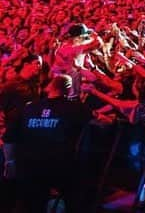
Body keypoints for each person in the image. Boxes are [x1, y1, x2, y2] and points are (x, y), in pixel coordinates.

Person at [3, 74, 93, 212]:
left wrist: (10, 162)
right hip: (62, 167)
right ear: (69, 89)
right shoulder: (77, 108)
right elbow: (100, 123)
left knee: (32, 204)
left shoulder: (29, 108)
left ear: (50, 87)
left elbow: (9, 138)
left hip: (30, 167)